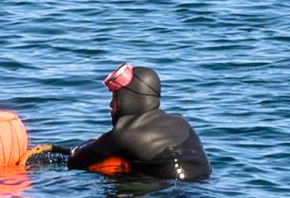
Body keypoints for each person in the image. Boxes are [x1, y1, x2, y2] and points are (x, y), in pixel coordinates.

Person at [46, 63, 211, 180]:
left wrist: (77, 151)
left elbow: (75, 162)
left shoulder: (124, 135)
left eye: (115, 98)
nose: (111, 105)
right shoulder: (180, 121)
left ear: (130, 98)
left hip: (166, 196)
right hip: (202, 187)